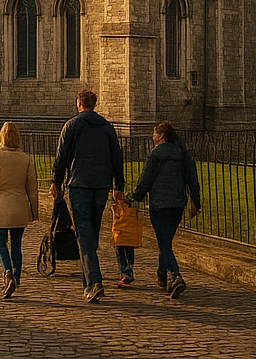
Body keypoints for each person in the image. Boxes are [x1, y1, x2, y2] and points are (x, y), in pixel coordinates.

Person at [50, 88, 125, 302]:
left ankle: (94, 282)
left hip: (79, 185)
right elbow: (116, 158)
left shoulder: (72, 125)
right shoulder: (107, 127)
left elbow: (61, 156)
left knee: (84, 234)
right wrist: (117, 185)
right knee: (91, 232)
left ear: (79, 103)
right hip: (101, 185)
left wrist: (56, 181)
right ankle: (88, 283)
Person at [126, 121, 201, 298]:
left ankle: (176, 275)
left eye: (154, 134)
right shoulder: (183, 153)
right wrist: (195, 203)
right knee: (165, 241)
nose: (152, 137)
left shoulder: (155, 154)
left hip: (159, 205)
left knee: (163, 242)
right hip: (177, 205)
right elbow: (193, 179)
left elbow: (145, 181)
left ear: (161, 136)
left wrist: (133, 197)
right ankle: (161, 275)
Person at [0, 121, 39, 299]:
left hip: (0, 207)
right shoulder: (26, 159)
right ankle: (17, 276)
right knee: (16, 244)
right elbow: (33, 189)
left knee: (0, 243)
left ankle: (7, 273)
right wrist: (34, 212)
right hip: (19, 207)